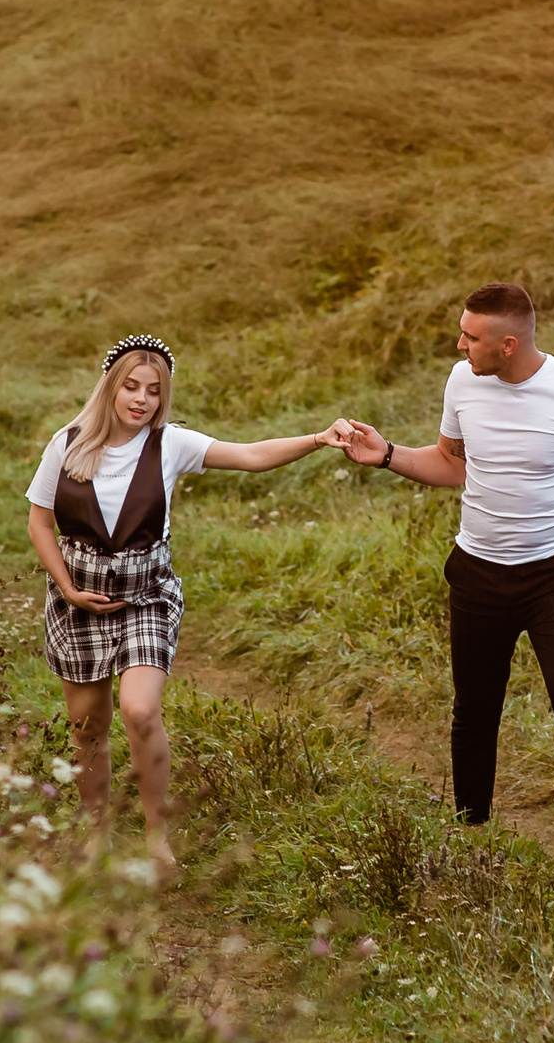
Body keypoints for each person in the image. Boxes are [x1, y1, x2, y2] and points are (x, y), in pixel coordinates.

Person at [335, 283, 554, 878]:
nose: (460, 345)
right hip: (478, 570)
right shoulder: (464, 381)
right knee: (475, 706)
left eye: (471, 337)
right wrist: (386, 455)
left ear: (508, 345)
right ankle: (470, 830)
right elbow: (452, 463)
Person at [26, 333, 341, 869]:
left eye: (153, 391)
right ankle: (96, 831)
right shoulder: (68, 443)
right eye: (131, 386)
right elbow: (39, 522)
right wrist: (69, 588)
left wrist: (318, 438)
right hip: (77, 604)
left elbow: (251, 455)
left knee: (141, 710)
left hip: (145, 598)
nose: (141, 399)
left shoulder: (170, 444)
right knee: (87, 728)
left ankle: (157, 835)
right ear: (110, 386)